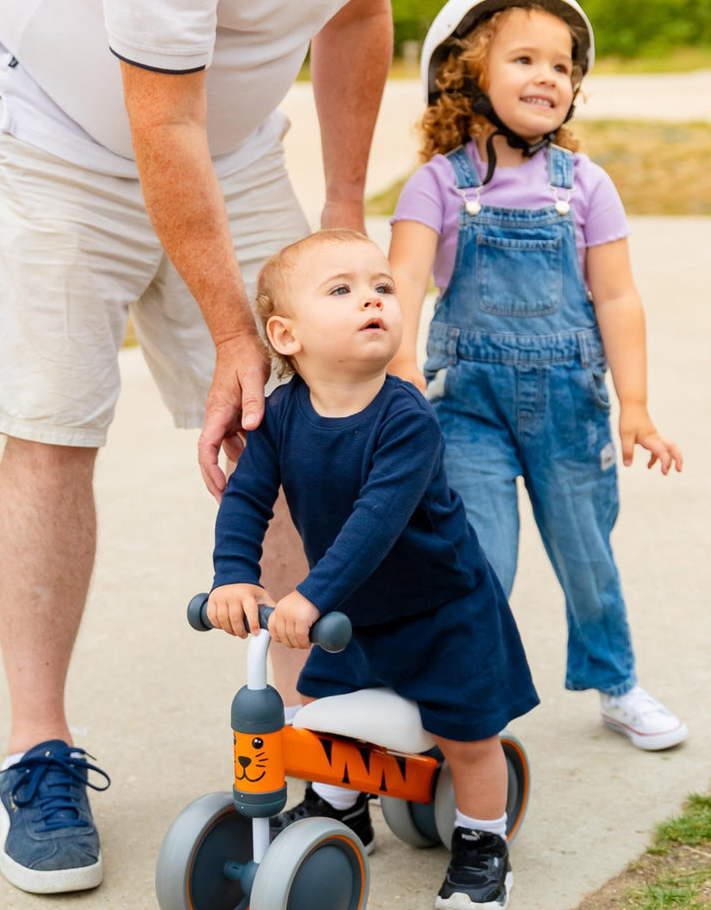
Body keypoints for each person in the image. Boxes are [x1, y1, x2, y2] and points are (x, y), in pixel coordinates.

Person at [0, 0, 488, 894]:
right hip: (57, 137)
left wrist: (337, 210)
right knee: (53, 427)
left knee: (315, 410)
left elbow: (357, 9)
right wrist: (235, 332)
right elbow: (161, 108)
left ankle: (306, 722)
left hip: (229, 145)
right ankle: (38, 753)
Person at [386, 0, 688, 755]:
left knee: (588, 554)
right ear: (467, 74)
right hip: (467, 410)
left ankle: (615, 682)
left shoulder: (586, 185)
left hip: (571, 406)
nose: (547, 77)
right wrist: (402, 379)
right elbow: (404, 289)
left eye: (562, 66)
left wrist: (637, 405)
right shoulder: (434, 188)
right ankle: (463, 701)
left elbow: (617, 300)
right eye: (524, 59)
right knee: (478, 560)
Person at [207, 228, 538, 910]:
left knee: (466, 736)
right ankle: (340, 810)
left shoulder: (405, 418)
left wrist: (310, 591)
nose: (373, 300)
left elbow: (376, 522)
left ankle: (483, 843)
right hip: (353, 614)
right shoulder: (281, 417)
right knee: (325, 715)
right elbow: (246, 498)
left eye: (383, 287)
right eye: (343, 290)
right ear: (286, 335)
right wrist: (235, 575)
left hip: (440, 608)